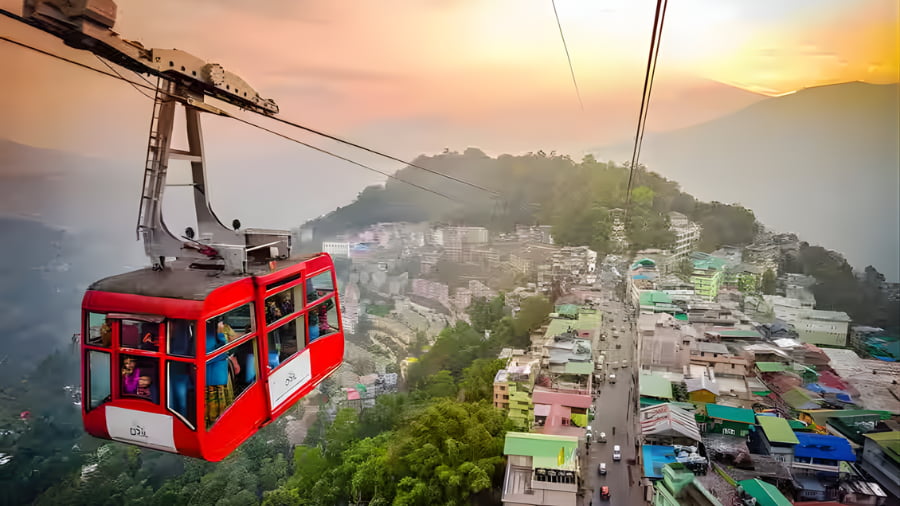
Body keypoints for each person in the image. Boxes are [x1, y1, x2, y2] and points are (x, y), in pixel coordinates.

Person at [205, 321, 234, 427]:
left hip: (216, 377)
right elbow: (220, 352)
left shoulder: (212, 330)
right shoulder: (214, 333)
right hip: (214, 381)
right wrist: (221, 335)